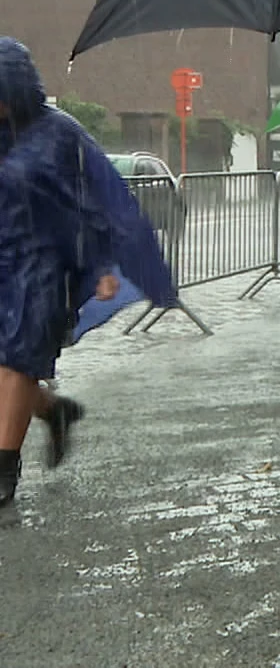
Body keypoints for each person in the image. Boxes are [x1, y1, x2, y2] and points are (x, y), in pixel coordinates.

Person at [0, 38, 180, 518]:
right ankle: (54, 410)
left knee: (19, 358)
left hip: (43, 267)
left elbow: (100, 201)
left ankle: (4, 474)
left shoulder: (60, 134)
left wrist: (103, 267)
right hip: (1, 259)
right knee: (3, 368)